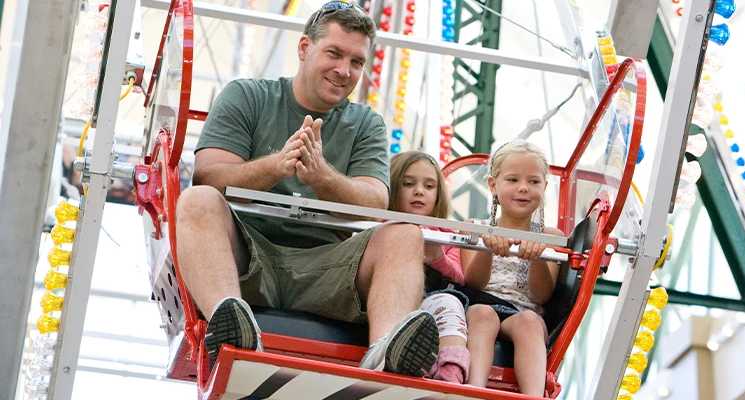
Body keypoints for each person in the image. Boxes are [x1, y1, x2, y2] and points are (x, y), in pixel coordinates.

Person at [175, 1, 437, 377]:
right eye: (334, 53)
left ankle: (384, 357)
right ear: (304, 49)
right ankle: (231, 326)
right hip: (248, 254)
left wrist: (322, 178)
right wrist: (275, 166)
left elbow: (375, 201)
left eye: (357, 62)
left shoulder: (366, 124)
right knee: (198, 201)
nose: (344, 71)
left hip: (328, 266)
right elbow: (209, 177)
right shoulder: (247, 96)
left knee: (404, 234)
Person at [459, 140, 563, 395]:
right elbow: (472, 283)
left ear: (544, 187)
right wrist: (487, 249)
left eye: (534, 182)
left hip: (523, 311)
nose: (523, 188)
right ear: (493, 185)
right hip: (483, 303)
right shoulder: (475, 228)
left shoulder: (550, 236)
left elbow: (542, 295)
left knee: (529, 321)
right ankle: (474, 391)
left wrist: (536, 256)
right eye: (513, 180)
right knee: (482, 313)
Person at [388, 151, 470, 384]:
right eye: (408, 184)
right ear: (393, 186)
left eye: (429, 185)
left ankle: (450, 372)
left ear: (438, 194)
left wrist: (437, 258)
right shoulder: (383, 225)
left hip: (430, 299)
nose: (419, 191)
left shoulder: (448, 235)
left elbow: (463, 277)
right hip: (390, 298)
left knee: (450, 304)